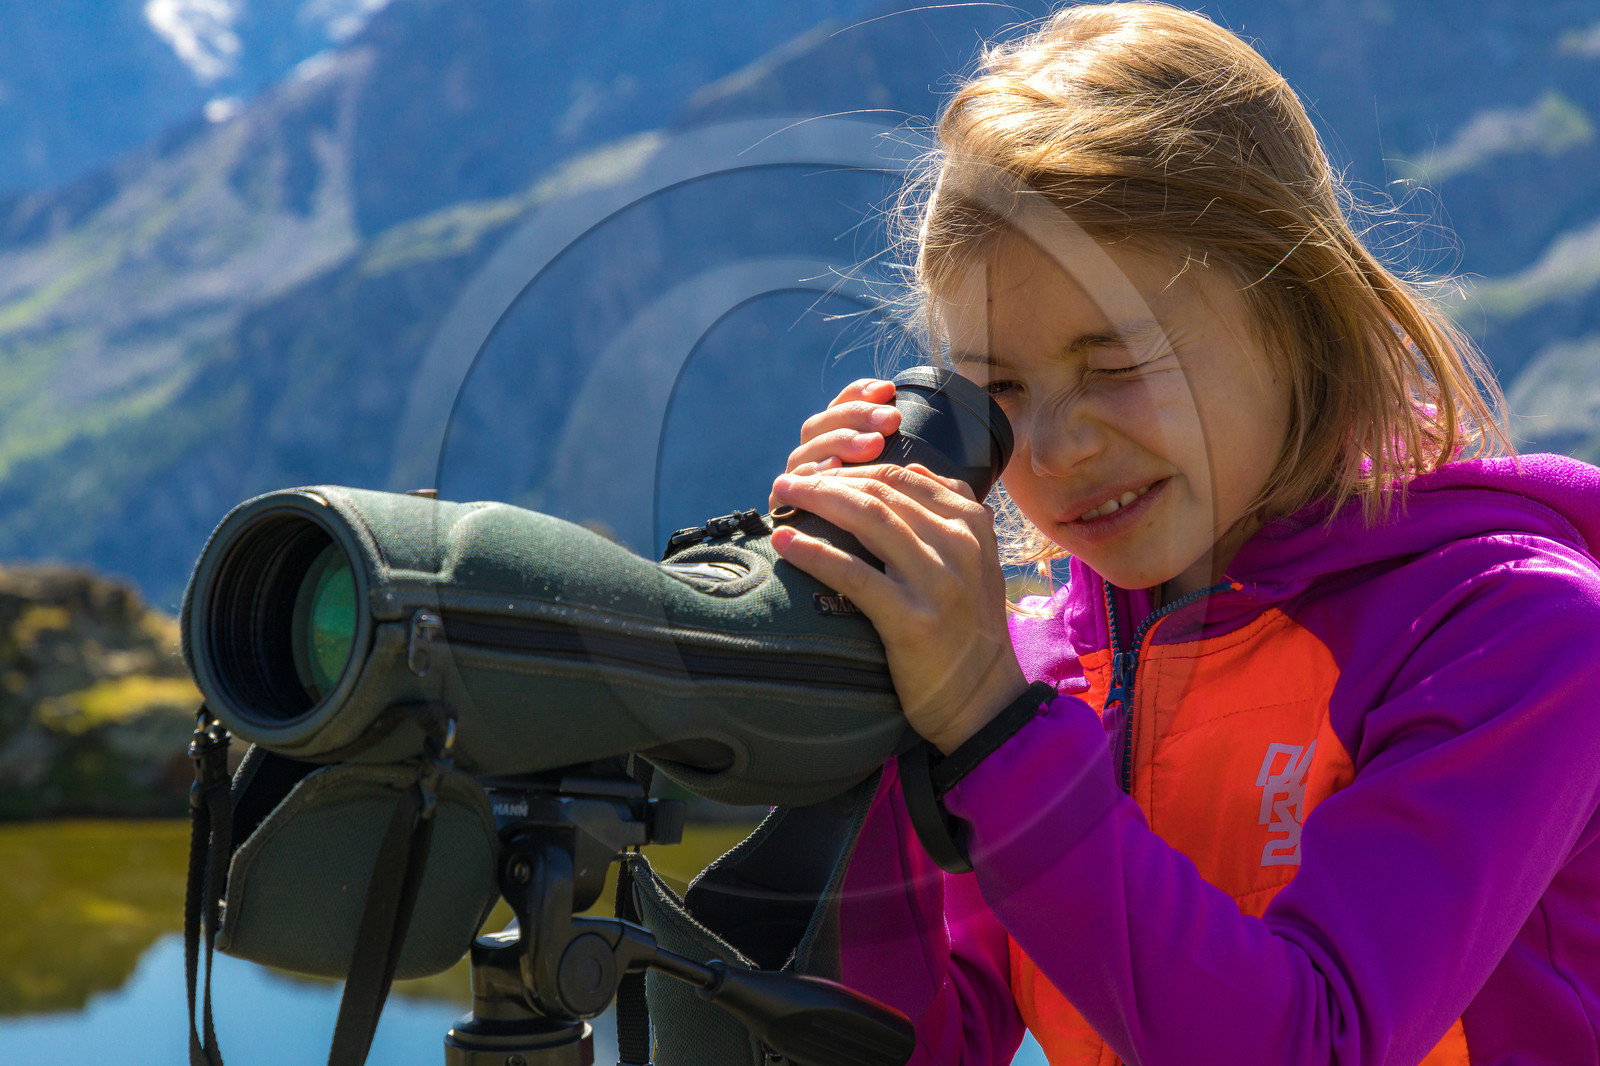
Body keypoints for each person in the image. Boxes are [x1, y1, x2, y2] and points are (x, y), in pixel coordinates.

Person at [763, 3, 1600, 1063]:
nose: (1058, 446)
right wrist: (853, 684)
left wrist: (988, 730)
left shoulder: (1512, 634)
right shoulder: (1043, 671)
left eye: (1116, 366)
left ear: (1299, 321)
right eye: (998, 392)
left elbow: (1316, 1040)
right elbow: (925, 1041)